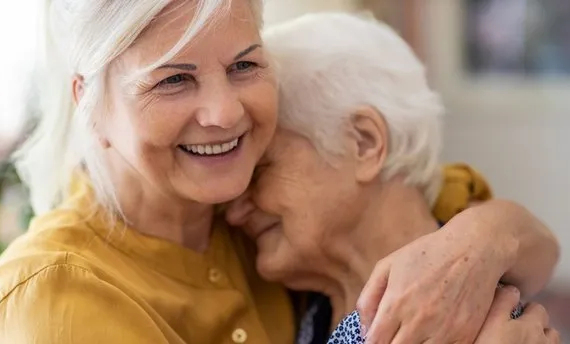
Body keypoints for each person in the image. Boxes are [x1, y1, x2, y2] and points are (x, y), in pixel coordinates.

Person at [0, 1, 556, 343]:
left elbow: (481, 221)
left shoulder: (243, 215)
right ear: (89, 103)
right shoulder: (52, 299)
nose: (224, 114)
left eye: (245, 64)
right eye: (173, 79)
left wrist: (485, 240)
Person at [226, 12, 561, 344]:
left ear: (365, 143)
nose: (234, 211)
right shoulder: (310, 309)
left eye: (260, 169)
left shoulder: (470, 314)